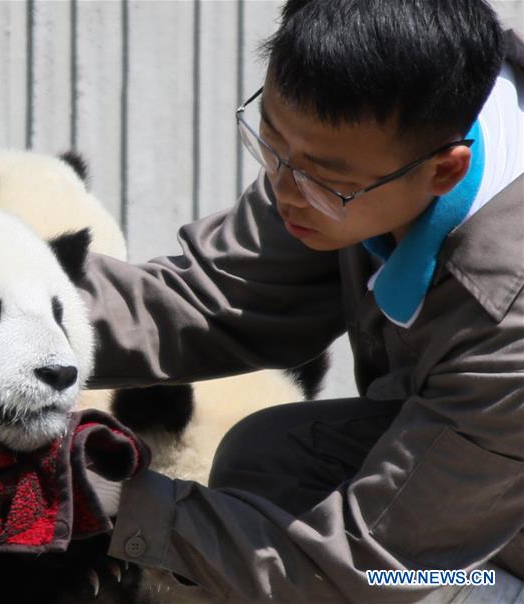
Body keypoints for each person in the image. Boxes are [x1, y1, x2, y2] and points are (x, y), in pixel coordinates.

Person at [79, 0, 524, 602]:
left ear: (445, 171)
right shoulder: (397, 130)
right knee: (272, 464)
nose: (284, 192)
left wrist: (108, 504)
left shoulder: (507, 316)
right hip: (489, 467)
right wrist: (16, 316)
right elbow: (210, 296)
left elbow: (372, 570)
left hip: (440, 546)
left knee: (426, 587)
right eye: (272, 142)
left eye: (321, 176)